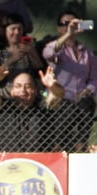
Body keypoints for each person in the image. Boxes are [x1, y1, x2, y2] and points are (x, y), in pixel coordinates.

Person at [43, 12, 97, 152]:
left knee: (88, 103)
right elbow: (48, 54)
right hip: (61, 101)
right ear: (58, 28)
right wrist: (68, 34)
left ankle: (81, 148)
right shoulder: (56, 48)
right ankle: (57, 150)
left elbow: (94, 78)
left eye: (73, 23)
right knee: (66, 112)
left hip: (82, 101)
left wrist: (88, 90)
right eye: (65, 24)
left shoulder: (87, 52)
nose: (70, 27)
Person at [0, 65, 65, 151]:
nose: (23, 90)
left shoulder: (42, 106)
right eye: (18, 86)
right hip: (9, 160)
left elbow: (57, 95)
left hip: (39, 160)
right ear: (12, 91)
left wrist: (52, 86)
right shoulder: (4, 106)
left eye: (28, 86)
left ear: (35, 90)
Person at [0, 14, 44, 90]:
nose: (17, 32)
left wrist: (32, 52)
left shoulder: (30, 48)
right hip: (7, 92)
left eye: (19, 29)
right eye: (13, 29)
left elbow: (41, 71)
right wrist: (12, 59)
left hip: (29, 91)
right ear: (5, 31)